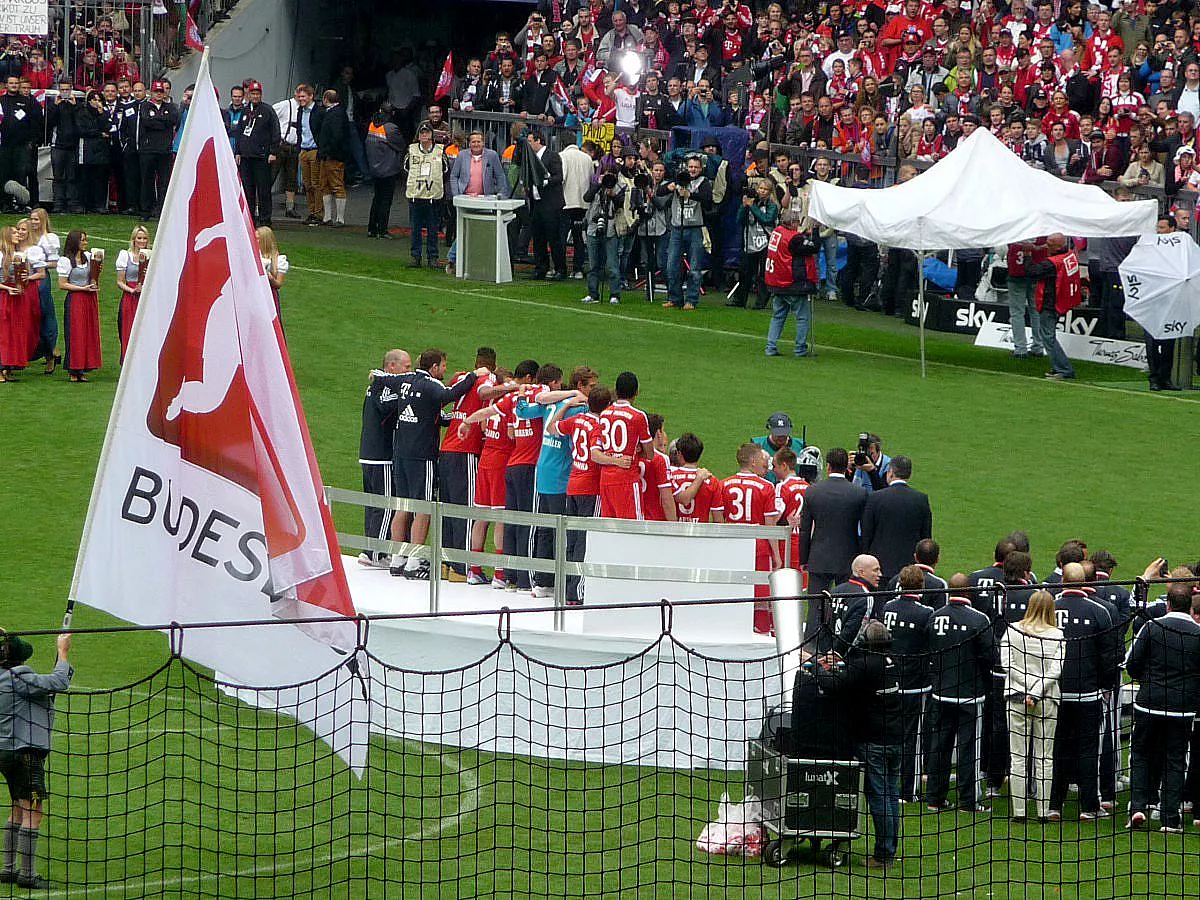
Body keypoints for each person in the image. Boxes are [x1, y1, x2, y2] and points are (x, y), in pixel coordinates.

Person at [387, 349, 487, 581]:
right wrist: (473, 376)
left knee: (403, 505)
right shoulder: (430, 384)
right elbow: (450, 394)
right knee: (424, 506)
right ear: (433, 368)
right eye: (442, 366)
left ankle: (397, 559)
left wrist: (456, 419)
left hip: (401, 454)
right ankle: (413, 562)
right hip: (422, 456)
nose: (444, 370)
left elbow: (431, 414)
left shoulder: (406, 381)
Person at [811, 620, 903, 869]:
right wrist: (839, 666)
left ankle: (884, 855)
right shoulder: (890, 661)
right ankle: (890, 850)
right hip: (895, 739)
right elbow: (854, 676)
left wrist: (816, 669)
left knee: (879, 798)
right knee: (891, 796)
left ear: (864, 641)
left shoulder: (864, 664)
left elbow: (835, 685)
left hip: (873, 741)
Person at [0, 628, 73, 890]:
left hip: (6, 753)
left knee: (18, 809)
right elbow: (59, 683)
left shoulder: (1, 676)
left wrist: (6, 637)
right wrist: (63, 653)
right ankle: (27, 875)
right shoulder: (20, 676)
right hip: (25, 753)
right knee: (34, 811)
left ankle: (8, 870)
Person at [1125, 581, 1200, 832]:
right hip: (1183, 708)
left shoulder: (1152, 626)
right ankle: (1169, 819)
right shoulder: (1197, 633)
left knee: (1141, 754)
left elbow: (1131, 664)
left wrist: (1146, 679)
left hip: (1149, 703)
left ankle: (1137, 806)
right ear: (1190, 606)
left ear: (1167, 604)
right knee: (1175, 760)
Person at [1047, 562, 1116, 821]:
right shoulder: (1100, 612)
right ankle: (1089, 806)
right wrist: (1106, 686)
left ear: (1063, 581)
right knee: (1088, 750)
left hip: (1056, 693)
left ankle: (1054, 805)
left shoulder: (1049, 607)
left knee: (1058, 749)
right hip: (1088, 695)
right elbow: (1108, 656)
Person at [924, 573, 994, 813]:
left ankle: (934, 798)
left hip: (940, 693)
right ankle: (969, 801)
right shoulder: (980, 620)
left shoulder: (934, 618)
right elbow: (990, 657)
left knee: (939, 746)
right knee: (969, 749)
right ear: (969, 592)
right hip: (970, 695)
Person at [1001, 589, 1065, 822]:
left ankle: (1019, 813)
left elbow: (1007, 665)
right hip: (1046, 700)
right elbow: (1055, 670)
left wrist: (1029, 690)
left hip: (1017, 698)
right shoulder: (1057, 635)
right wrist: (1036, 691)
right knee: (1045, 757)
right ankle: (1043, 812)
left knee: (1018, 756)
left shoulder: (1012, 630)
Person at [798, 448, 868, 637]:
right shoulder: (859, 493)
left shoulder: (813, 491)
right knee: (846, 605)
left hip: (819, 556)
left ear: (828, 466)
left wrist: (803, 558)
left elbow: (805, 529)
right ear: (846, 467)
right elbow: (865, 528)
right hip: (849, 557)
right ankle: (841, 645)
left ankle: (812, 646)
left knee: (815, 607)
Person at [881, 565, 935, 803]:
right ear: (921, 585)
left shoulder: (887, 608)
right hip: (915, 684)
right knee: (912, 738)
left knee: (888, 734)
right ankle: (908, 791)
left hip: (890, 680)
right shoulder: (926, 613)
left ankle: (884, 785)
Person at [358, 349, 411, 569]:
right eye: (406, 367)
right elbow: (388, 405)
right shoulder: (384, 388)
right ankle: (376, 553)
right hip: (382, 457)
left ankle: (369, 550)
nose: (409, 371)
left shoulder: (374, 386)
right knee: (385, 504)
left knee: (373, 505)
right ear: (391, 367)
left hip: (368, 454)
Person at [722, 443, 783, 633]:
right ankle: (761, 632)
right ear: (753, 461)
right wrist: (777, 554)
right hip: (758, 547)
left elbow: (719, 518)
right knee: (761, 595)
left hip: (732, 545)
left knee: (733, 589)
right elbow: (769, 524)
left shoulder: (724, 484)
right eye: (763, 461)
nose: (766, 465)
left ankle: (733, 628)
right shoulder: (765, 486)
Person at [761, 203, 821, 358]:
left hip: (776, 282)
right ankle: (800, 348)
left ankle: (770, 346)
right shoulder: (794, 239)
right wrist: (814, 231)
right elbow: (813, 247)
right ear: (793, 223)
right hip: (791, 282)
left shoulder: (777, 232)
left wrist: (803, 236)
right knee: (802, 317)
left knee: (778, 316)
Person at [860, 456, 932, 585]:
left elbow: (866, 534)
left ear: (891, 472)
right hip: (909, 571)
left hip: (880, 568)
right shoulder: (921, 499)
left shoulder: (875, 498)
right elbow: (926, 537)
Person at [594, 371, 653, 519]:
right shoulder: (638, 416)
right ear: (636, 392)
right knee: (633, 529)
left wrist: (613, 459)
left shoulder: (604, 414)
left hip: (606, 480)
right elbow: (650, 454)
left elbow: (595, 453)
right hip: (627, 479)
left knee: (610, 528)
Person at [660, 154, 712, 310]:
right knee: (671, 265)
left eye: (696, 167)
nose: (693, 170)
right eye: (690, 167)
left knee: (695, 268)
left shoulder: (704, 182)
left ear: (701, 168)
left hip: (695, 227)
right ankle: (674, 298)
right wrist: (669, 187)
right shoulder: (678, 181)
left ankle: (691, 300)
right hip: (677, 228)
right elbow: (660, 191)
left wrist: (690, 195)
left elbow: (708, 199)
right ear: (686, 167)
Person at [1027, 233, 1081, 380]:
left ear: (1057, 246)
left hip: (1050, 302)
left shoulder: (1052, 263)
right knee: (1048, 335)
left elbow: (1032, 272)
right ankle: (1060, 367)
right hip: (1061, 301)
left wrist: (1027, 253)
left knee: (1048, 336)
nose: (1047, 247)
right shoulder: (1069, 256)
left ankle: (1064, 369)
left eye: (1049, 244)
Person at [56, 230, 101, 383]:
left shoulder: (88, 257)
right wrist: (82, 288)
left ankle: (82, 368)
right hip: (76, 299)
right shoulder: (65, 261)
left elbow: (95, 275)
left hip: (89, 298)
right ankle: (73, 369)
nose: (85, 243)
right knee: (76, 334)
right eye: (82, 240)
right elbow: (62, 284)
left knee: (87, 333)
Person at [235, 81, 281, 228]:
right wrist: (238, 151)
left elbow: (275, 131)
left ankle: (265, 218)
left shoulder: (267, 111)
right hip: (246, 157)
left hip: (262, 156)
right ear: (248, 95)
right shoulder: (244, 111)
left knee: (263, 189)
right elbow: (239, 133)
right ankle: (249, 219)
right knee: (248, 189)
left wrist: (273, 151)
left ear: (261, 94)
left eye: (257, 94)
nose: (255, 96)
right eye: (252, 93)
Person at [728, 179, 779, 310]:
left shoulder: (772, 205)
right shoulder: (751, 202)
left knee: (762, 274)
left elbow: (767, 219)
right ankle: (740, 299)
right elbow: (739, 220)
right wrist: (744, 206)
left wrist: (752, 207)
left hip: (765, 242)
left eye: (765, 189)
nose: (762, 191)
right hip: (750, 242)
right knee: (745, 272)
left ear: (769, 192)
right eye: (760, 188)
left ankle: (761, 302)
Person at [523, 131, 567, 280]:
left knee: (554, 239)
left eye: (530, 141)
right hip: (537, 203)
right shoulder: (530, 158)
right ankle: (541, 267)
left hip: (551, 204)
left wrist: (545, 181)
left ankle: (560, 268)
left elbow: (559, 176)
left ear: (538, 141)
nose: (528, 144)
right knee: (538, 237)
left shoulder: (552, 156)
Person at [404, 123, 449, 267]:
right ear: (418, 136)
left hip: (433, 197)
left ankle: (433, 257)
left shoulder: (440, 151)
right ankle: (415, 256)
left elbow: (446, 170)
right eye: (422, 133)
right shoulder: (411, 151)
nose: (424, 136)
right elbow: (406, 168)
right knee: (415, 229)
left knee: (433, 228)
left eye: (427, 133)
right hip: (415, 196)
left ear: (432, 135)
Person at [579, 167, 625, 306]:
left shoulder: (620, 188)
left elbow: (620, 204)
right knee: (593, 264)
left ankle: (615, 294)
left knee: (612, 265)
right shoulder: (597, 187)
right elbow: (586, 198)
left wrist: (612, 195)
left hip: (611, 229)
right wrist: (598, 184)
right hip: (593, 228)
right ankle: (593, 293)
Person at [272, 84, 317, 220]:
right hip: (281, 145)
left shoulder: (305, 110)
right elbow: (271, 115)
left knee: (291, 178)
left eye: (303, 96)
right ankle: (259, 206)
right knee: (271, 176)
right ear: (295, 94)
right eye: (299, 95)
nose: (300, 98)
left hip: (294, 148)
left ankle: (290, 207)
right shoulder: (285, 105)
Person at [137, 80, 179, 221]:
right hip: (148, 150)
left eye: (161, 92)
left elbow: (173, 120)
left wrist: (157, 120)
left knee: (164, 183)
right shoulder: (145, 106)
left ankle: (162, 211)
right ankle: (145, 211)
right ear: (152, 92)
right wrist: (162, 121)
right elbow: (147, 121)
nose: (159, 94)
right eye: (156, 91)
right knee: (146, 182)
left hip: (164, 150)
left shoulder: (171, 107)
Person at [25, 210, 59, 374]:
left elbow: (54, 262)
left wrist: (39, 264)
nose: (33, 222)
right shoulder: (28, 237)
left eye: (36, 219)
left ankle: (50, 352)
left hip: (41, 278)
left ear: (43, 220)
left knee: (44, 312)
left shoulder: (49, 239)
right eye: (31, 219)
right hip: (26, 278)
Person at [365, 104, 405, 240]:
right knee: (385, 201)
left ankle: (372, 228)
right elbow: (401, 145)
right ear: (392, 113)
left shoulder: (372, 124)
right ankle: (382, 229)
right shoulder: (391, 128)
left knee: (377, 199)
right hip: (388, 169)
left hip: (374, 168)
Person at [314, 89, 350, 228]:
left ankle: (340, 218)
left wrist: (328, 151)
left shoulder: (336, 115)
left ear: (325, 99)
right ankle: (327, 217)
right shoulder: (337, 113)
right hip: (327, 155)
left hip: (333, 156)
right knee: (325, 185)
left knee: (336, 185)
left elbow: (336, 136)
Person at [115, 224, 150, 364]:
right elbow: (120, 281)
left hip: (146, 297)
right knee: (128, 330)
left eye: (145, 238)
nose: (142, 241)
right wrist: (132, 290)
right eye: (139, 238)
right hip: (130, 298)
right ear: (134, 240)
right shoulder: (125, 255)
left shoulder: (150, 256)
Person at [257, 227, 288, 323]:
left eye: (258, 239)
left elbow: (278, 284)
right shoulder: (253, 256)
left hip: (269, 296)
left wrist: (270, 278)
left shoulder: (278, 260)